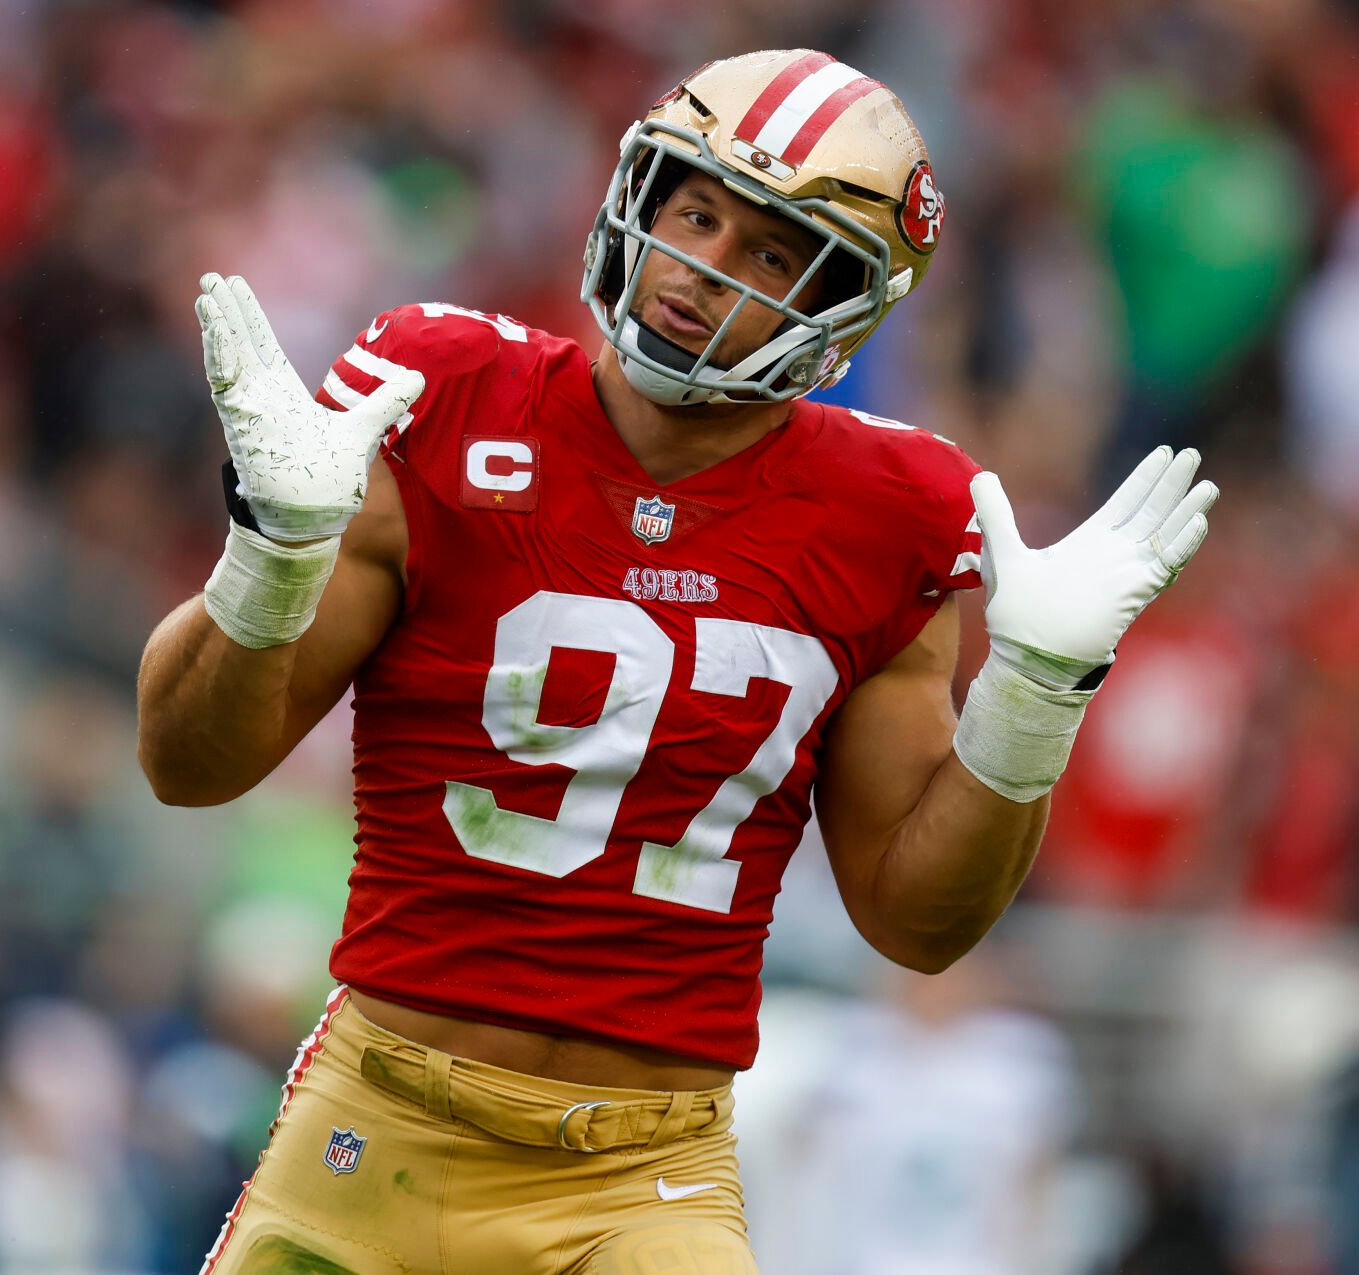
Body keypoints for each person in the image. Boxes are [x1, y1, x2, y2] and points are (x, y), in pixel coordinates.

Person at [136, 49, 1217, 1275]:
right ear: (639, 199)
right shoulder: (446, 390)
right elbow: (188, 761)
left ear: (847, 301)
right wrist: (268, 560)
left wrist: (1033, 697)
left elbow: (919, 924)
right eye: (695, 211)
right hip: (377, 1121)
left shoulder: (896, 510)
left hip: (639, 1181)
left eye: (770, 252)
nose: (701, 267)